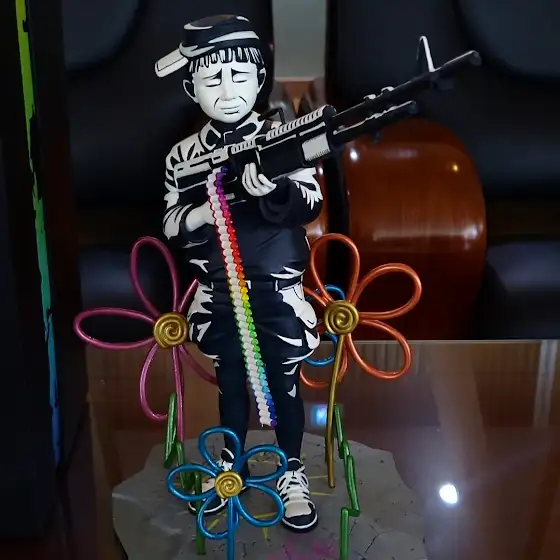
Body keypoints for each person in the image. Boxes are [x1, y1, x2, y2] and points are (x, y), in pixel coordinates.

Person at [156, 14, 323, 533]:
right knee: (230, 382)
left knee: (284, 383)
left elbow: (311, 201)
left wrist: (273, 189)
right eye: (212, 79)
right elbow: (171, 222)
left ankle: (291, 470)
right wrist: (204, 211)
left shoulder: (282, 138)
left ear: (261, 79)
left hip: (277, 288)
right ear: (191, 88)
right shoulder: (183, 156)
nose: (228, 91)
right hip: (218, 291)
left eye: (239, 77)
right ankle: (230, 464)